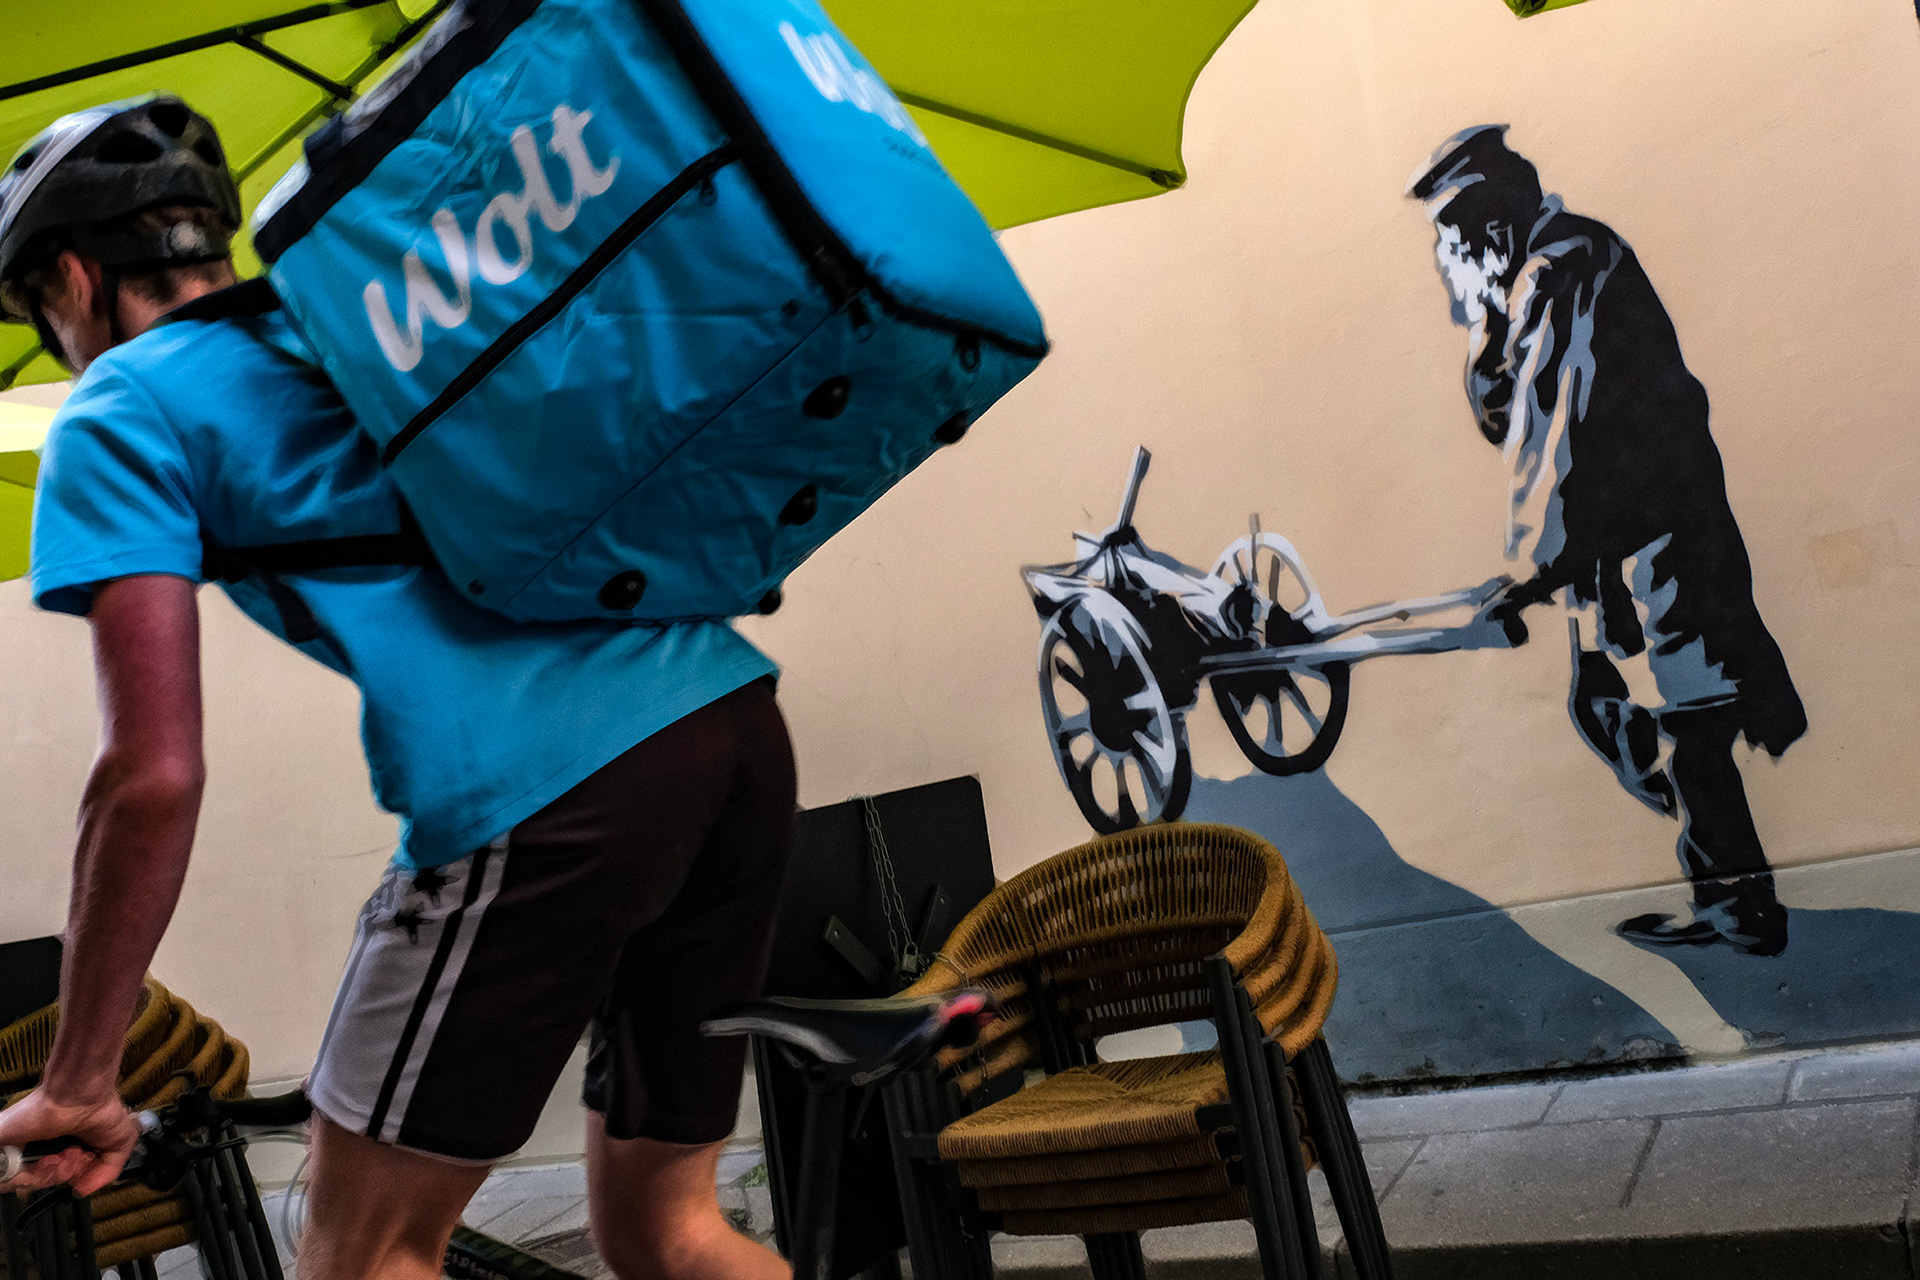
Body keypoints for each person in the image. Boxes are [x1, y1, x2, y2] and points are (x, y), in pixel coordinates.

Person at [0, 96, 795, 1280]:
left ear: (69, 276)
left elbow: (150, 774)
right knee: (669, 1228)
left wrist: (79, 1077)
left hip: (545, 783)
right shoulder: (361, 322)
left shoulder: (119, 406)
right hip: (727, 723)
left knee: (364, 1254)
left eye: (36, 313)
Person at [1407, 124, 1806, 957]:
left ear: (1488, 226)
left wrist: (1525, 572)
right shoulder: (1531, 280)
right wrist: (1482, 322)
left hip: (1658, 534)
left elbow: (1553, 432)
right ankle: (1732, 895)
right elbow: (1505, 412)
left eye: (1448, 239)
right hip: (1616, 543)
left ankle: (1740, 909)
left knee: (1686, 718)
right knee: (1623, 708)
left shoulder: (1567, 267)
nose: (1442, 259)